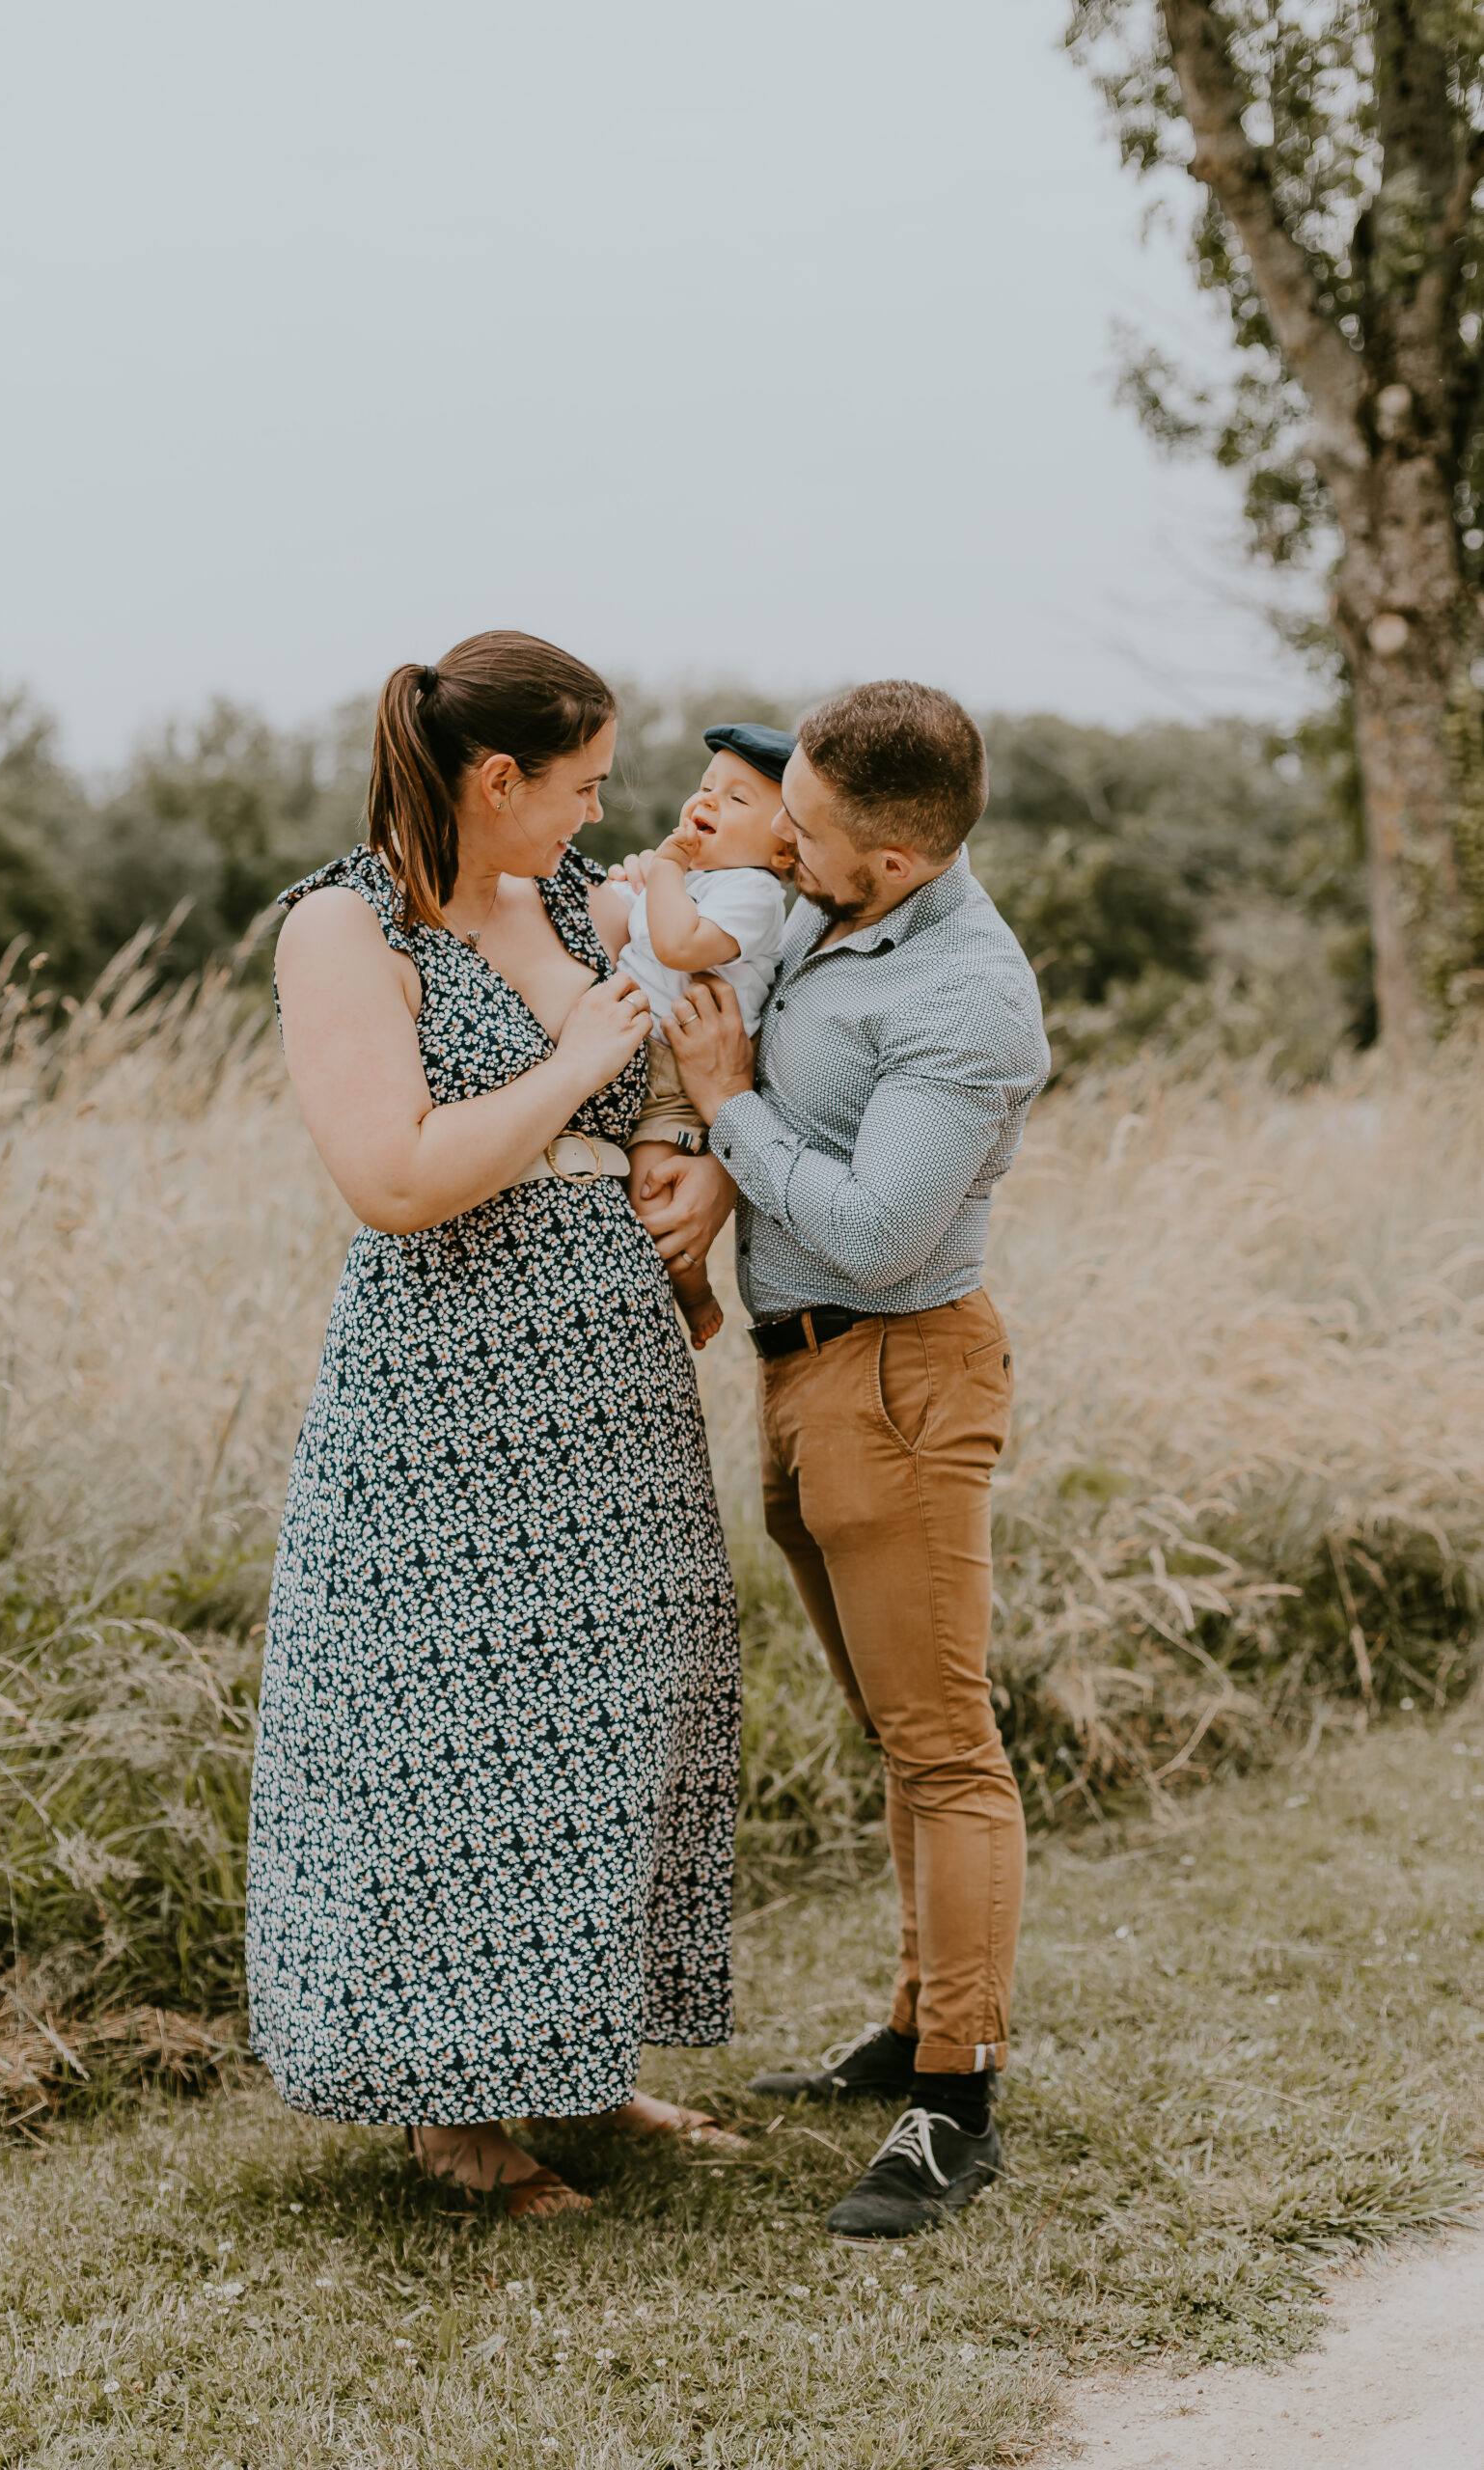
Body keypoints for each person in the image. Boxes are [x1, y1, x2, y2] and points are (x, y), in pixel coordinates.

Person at [245, 630, 744, 2220]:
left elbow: (667, 1066)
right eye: (581, 781)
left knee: (610, 1715)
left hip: (611, 1376)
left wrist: (686, 1155)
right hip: (447, 1389)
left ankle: (574, 2051)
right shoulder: (345, 929)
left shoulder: (577, 896)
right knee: (454, 1726)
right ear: (496, 777)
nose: (602, 809)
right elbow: (391, 1177)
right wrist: (577, 1062)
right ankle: (453, 2117)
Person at [652, 677, 1051, 2242]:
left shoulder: (963, 998)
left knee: (943, 1747)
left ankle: (955, 2097)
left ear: (891, 859)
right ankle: (909, 2022)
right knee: (898, 1732)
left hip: (896, 1377)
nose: (784, 841)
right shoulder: (831, 909)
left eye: (806, 827)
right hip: (801, 1373)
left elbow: (881, 1229)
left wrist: (728, 1109)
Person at [608, 722, 794, 1349]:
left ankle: (693, 1290)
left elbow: (679, 946)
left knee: (653, 1193)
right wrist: (642, 875)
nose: (708, 801)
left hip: (678, 1075)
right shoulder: (689, 879)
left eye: (737, 799)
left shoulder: (754, 892)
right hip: (639, 1050)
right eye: (707, 786)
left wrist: (663, 866)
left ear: (784, 851)